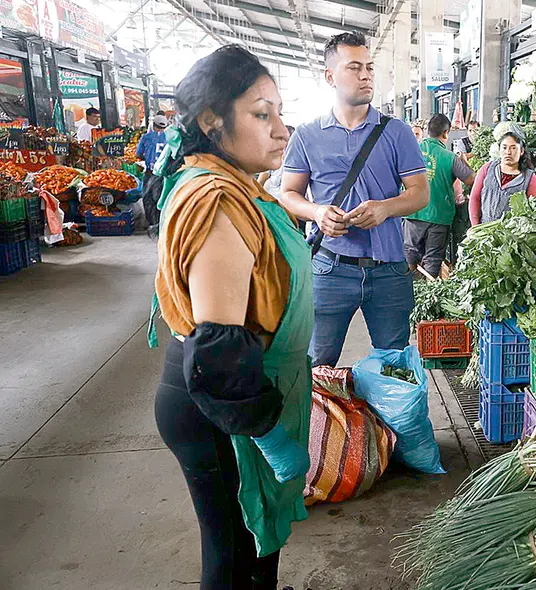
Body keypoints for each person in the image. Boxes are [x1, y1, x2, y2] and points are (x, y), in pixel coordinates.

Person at [150, 45, 309, 590]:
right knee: (232, 550)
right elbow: (218, 354)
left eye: (280, 113)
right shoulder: (216, 200)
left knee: (253, 540)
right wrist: (268, 434)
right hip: (218, 407)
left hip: (240, 396)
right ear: (211, 122)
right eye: (262, 114)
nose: (281, 130)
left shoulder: (240, 187)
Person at [279, 32, 429, 368]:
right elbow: (288, 194)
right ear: (330, 76)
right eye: (354, 67)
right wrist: (317, 212)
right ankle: (319, 423)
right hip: (329, 268)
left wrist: (384, 208)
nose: (366, 75)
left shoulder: (397, 132)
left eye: (370, 68)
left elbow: (421, 193)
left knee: (394, 367)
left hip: (389, 268)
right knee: (316, 365)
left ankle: (388, 423)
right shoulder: (306, 135)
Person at [404, 113, 476, 277]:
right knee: (433, 259)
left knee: (410, 254)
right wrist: (464, 160)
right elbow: (471, 179)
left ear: (427, 131)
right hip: (439, 215)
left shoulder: (411, 152)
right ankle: (429, 294)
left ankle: (410, 288)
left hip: (412, 212)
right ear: (445, 133)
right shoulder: (450, 157)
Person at [469, 127, 536, 225]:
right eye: (504, 147)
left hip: (512, 236)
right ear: (499, 149)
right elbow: (475, 198)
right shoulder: (487, 169)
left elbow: (534, 209)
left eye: (513, 148)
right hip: (484, 230)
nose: (508, 152)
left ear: (522, 151)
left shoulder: (529, 178)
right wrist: (475, 227)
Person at [137, 115, 170, 229]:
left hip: (150, 172)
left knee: (148, 197)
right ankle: (163, 222)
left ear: (153, 125)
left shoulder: (146, 137)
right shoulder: (170, 137)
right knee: (163, 197)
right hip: (165, 173)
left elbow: (138, 154)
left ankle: (152, 223)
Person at [258, 125, 296, 199]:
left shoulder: (300, 162)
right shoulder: (272, 158)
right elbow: (260, 182)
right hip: (273, 204)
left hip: (291, 206)